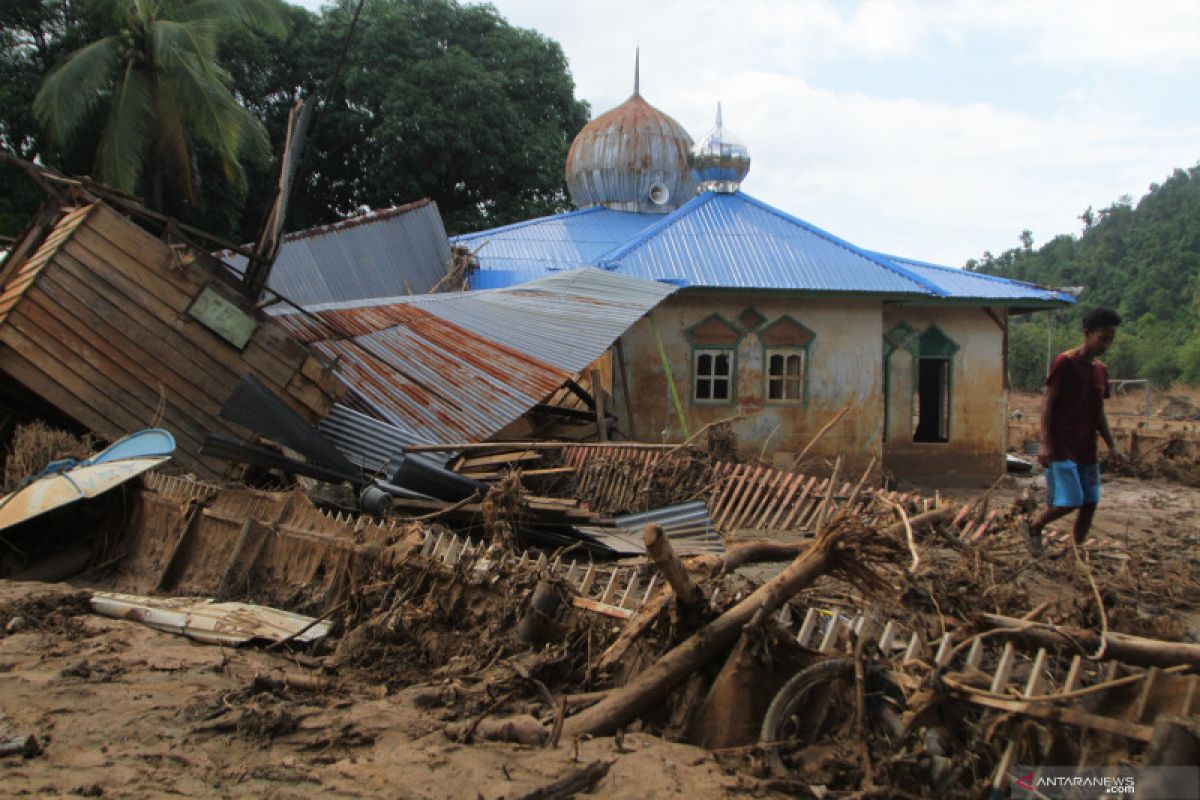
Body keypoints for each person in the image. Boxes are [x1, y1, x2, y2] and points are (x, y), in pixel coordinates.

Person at [1024, 307, 1126, 557]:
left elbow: (1098, 411)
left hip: (1086, 446)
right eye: (1103, 337)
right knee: (1070, 500)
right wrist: (1045, 442)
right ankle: (1034, 526)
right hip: (1061, 444)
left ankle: (1076, 552)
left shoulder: (1100, 370)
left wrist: (1112, 445)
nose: (1107, 344)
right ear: (1087, 333)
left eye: (1111, 339)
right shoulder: (1065, 362)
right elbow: (1048, 400)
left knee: (1090, 501)